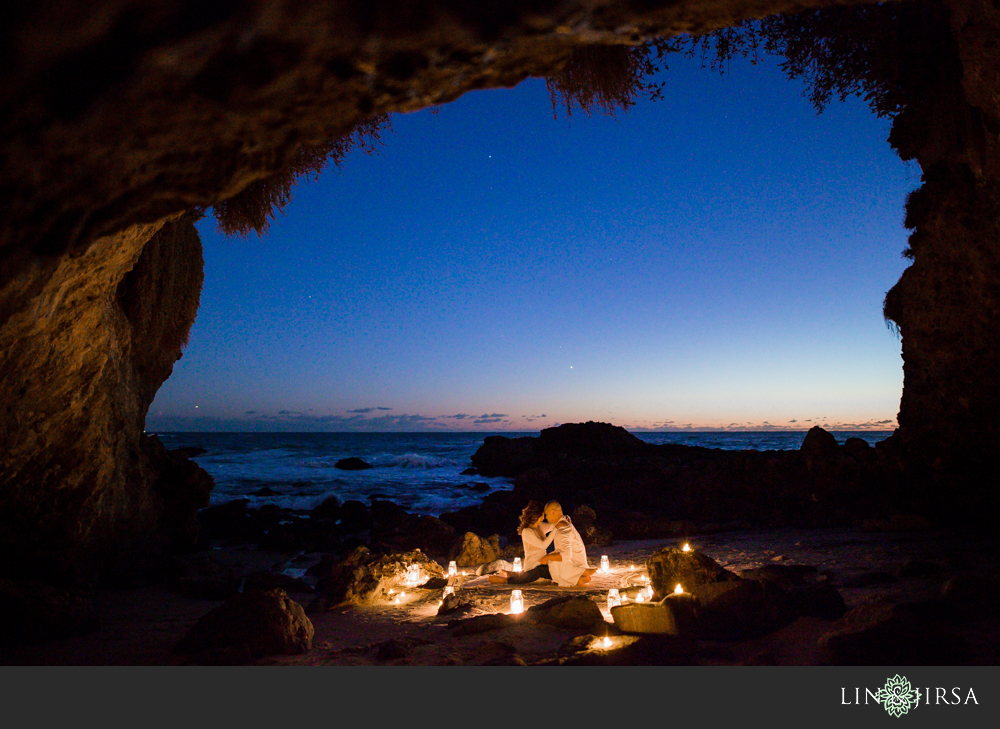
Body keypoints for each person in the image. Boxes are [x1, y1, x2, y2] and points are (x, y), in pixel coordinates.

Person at [487, 500, 556, 585]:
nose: (543, 518)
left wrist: (563, 520)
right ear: (535, 516)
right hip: (533, 567)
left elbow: (554, 526)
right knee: (542, 570)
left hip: (542, 563)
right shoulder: (527, 532)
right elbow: (543, 545)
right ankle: (507, 579)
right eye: (541, 515)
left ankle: (512, 574)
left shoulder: (540, 527)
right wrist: (556, 529)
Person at [540, 500, 596, 587]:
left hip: (575, 563)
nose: (545, 518)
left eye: (546, 514)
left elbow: (566, 555)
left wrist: (546, 557)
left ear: (553, 512)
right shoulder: (563, 523)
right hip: (575, 561)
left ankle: (580, 574)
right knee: (553, 558)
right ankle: (579, 577)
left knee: (552, 560)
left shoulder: (563, 528)